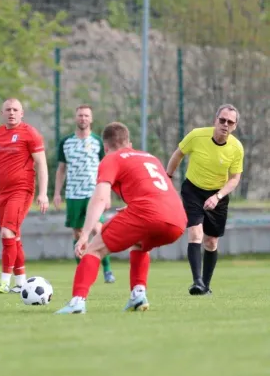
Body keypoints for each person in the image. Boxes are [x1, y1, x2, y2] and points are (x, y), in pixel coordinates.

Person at [55, 122, 186, 314]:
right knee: (140, 244)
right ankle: (138, 294)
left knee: (93, 249)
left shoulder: (111, 158)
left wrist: (84, 234)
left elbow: (100, 198)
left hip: (148, 213)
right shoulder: (150, 157)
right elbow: (154, 189)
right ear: (129, 143)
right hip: (178, 219)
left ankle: (77, 302)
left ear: (105, 147)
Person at [0, 98, 49, 294]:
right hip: (2, 192)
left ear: (22, 113)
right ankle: (21, 283)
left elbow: (41, 163)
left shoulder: (30, 133)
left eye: (16, 110)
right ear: (2, 113)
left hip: (22, 190)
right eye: (8, 110)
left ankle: (4, 282)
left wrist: (43, 193)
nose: (12, 113)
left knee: (7, 233)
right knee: (13, 237)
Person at [166, 104, 243, 295]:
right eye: (222, 120)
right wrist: (168, 177)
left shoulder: (236, 148)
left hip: (218, 194)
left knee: (211, 242)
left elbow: (234, 179)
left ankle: (206, 286)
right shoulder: (197, 135)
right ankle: (197, 282)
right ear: (215, 120)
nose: (225, 124)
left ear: (235, 126)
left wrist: (217, 197)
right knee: (195, 234)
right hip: (193, 190)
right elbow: (178, 154)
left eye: (230, 122)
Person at [53, 105, 115, 283]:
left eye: (86, 115)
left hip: (94, 192)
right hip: (73, 194)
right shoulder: (66, 142)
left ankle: (107, 270)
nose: (83, 118)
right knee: (78, 233)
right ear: (75, 118)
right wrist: (57, 193)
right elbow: (61, 169)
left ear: (91, 119)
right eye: (80, 115)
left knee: (97, 229)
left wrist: (107, 193)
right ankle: (82, 269)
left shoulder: (97, 142)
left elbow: (107, 167)